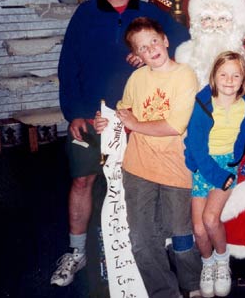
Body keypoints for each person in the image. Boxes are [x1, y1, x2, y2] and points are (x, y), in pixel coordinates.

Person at [52, 0, 190, 288]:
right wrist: (75, 113)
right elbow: (67, 67)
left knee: (144, 185)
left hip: (137, 121)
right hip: (91, 117)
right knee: (82, 180)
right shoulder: (85, 14)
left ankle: (147, 250)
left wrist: (149, 55)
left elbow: (183, 44)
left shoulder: (150, 14)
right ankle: (76, 251)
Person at [94, 17, 201, 297]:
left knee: (180, 235)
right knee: (141, 240)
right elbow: (122, 113)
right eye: (142, 47)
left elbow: (174, 126)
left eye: (154, 41)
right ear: (137, 56)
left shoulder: (185, 75)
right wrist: (105, 122)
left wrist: (135, 124)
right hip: (137, 168)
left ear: (165, 41)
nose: (151, 49)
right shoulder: (136, 78)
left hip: (176, 168)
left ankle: (193, 287)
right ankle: (164, 293)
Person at [184, 51, 245, 297]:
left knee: (210, 219)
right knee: (198, 229)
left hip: (228, 165)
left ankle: (222, 262)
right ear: (214, 77)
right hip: (203, 166)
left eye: (236, 75)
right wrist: (215, 176)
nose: (229, 81)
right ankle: (207, 264)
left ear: (244, 80)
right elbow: (196, 146)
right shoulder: (203, 103)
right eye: (223, 75)